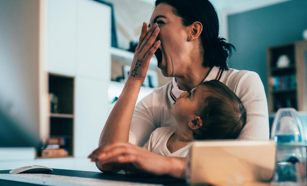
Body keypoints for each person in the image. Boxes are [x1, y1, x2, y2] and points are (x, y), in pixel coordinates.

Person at [89, 0, 268, 178]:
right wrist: (134, 79)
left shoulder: (243, 83)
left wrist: (164, 164)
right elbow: (107, 160)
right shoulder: (154, 102)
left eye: (159, 23)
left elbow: (253, 165)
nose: (147, 36)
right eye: (149, 27)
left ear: (193, 31)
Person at [143, 80, 247, 157]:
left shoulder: (198, 156)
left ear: (195, 122)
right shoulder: (158, 135)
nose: (183, 93)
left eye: (189, 96)